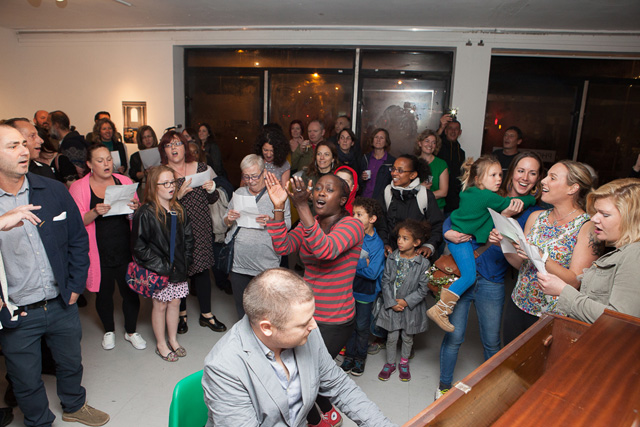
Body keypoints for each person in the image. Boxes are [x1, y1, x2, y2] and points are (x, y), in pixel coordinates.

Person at [0, 125, 110, 426]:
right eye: (12, 146)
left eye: (25, 143)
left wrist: (75, 286)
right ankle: (39, 421)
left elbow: (77, 238)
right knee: (24, 377)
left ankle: (74, 405)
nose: (24, 151)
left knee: (71, 361)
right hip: (16, 310)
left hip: (60, 301)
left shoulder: (52, 189)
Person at [202, 268, 396, 427]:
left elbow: (339, 386)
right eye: (303, 323)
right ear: (267, 328)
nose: (314, 325)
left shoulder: (306, 331)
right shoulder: (224, 367)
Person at [435, 151, 544, 399]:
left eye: (532, 173)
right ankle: (442, 387)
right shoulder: (493, 194)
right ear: (511, 172)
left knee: (492, 342)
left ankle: (493, 391)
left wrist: (504, 240)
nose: (525, 177)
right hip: (465, 272)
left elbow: (524, 260)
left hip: (493, 282)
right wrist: (447, 232)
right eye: (520, 170)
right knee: (454, 336)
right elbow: (457, 216)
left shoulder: (533, 214)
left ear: (538, 180)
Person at [265, 172, 364, 427]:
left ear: (342, 200)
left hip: (334, 319)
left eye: (329, 190)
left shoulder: (352, 225)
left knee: (304, 374)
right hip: (306, 314)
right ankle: (327, 414)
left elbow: (325, 249)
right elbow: (283, 247)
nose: (320, 192)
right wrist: (279, 208)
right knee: (302, 372)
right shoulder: (313, 221)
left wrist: (301, 206)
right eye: (318, 187)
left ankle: (317, 419)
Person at [427, 155, 536, 332]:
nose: (498, 179)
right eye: (493, 175)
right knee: (469, 277)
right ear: (478, 179)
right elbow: (509, 203)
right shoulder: (487, 196)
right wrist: (532, 198)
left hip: (479, 259)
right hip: (461, 243)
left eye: (500, 175)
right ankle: (440, 309)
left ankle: (441, 309)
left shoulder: (470, 191)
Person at [501, 160, 602, 344]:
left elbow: (575, 281)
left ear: (572, 188)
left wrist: (541, 256)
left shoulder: (587, 227)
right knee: (509, 367)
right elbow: (520, 264)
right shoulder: (536, 217)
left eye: (552, 178)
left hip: (552, 316)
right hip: (518, 305)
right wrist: (504, 242)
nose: (543, 181)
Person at [69, 143, 145, 351]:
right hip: (97, 250)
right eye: (100, 160)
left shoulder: (125, 181)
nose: (106, 164)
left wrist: (136, 208)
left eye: (109, 159)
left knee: (130, 291)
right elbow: (78, 221)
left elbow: (135, 215)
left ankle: (131, 331)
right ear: (89, 164)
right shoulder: (79, 187)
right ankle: (109, 331)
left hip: (125, 247)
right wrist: (95, 211)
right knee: (103, 293)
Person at [538, 178, 640, 322]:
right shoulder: (622, 251)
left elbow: (619, 321)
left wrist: (563, 291)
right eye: (596, 212)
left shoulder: (635, 254)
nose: (594, 219)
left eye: (605, 214)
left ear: (631, 218)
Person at [160, 130, 227, 334]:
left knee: (202, 272)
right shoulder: (162, 174)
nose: (174, 148)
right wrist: (177, 196)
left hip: (200, 227)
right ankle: (181, 315)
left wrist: (211, 190)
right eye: (169, 145)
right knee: (179, 274)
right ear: (164, 150)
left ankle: (206, 315)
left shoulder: (201, 168)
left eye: (177, 143)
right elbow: (157, 206)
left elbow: (213, 200)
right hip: (175, 230)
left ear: (185, 146)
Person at [131, 166, 194, 362]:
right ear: (153, 186)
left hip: (179, 268)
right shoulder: (146, 212)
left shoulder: (179, 209)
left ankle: (173, 340)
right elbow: (139, 247)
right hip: (159, 270)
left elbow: (189, 239)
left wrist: (186, 260)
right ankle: (161, 344)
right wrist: (162, 265)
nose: (170, 187)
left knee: (175, 303)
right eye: (165, 183)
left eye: (172, 182)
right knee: (160, 306)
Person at [224, 155, 291, 318]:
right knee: (242, 307)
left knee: (266, 309)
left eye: (254, 176)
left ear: (263, 172)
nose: (251, 181)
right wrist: (229, 218)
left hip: (266, 263)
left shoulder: (276, 194)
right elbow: (224, 222)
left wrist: (271, 221)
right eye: (246, 176)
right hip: (239, 262)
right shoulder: (239, 193)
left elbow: (287, 224)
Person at [376, 219, 431, 382]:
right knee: (391, 337)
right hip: (392, 305)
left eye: (405, 238)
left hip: (410, 308)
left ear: (416, 243)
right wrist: (391, 302)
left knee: (407, 337)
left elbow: (424, 288)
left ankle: (404, 363)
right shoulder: (392, 258)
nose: (399, 241)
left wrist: (405, 302)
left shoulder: (423, 263)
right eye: (399, 237)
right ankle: (390, 363)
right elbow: (385, 281)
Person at [340, 197, 385, 378]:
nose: (354, 217)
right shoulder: (350, 237)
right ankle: (349, 356)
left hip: (365, 293)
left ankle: (360, 357)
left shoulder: (377, 244)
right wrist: (360, 263)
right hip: (348, 290)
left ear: (372, 219)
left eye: (359, 214)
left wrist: (353, 264)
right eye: (353, 214)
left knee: (361, 326)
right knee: (349, 324)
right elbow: (342, 263)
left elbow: (373, 273)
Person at [377, 154, 444, 259]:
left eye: (400, 170)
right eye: (393, 169)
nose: (394, 173)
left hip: (418, 257)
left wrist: (430, 245)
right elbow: (382, 224)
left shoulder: (425, 195)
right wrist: (384, 243)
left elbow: (437, 225)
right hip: (392, 255)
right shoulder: (387, 192)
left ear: (412, 175)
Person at [437, 114, 466, 213]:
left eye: (456, 129)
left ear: (460, 132)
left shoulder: (461, 153)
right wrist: (440, 127)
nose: (453, 131)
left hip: (454, 198)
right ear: (445, 131)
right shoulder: (438, 148)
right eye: (450, 128)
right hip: (438, 195)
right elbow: (430, 144)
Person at [415, 128, 448, 211]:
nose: (430, 145)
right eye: (427, 141)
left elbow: (443, 192)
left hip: (436, 209)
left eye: (433, 142)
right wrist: (419, 187)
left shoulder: (441, 164)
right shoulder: (412, 163)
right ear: (420, 143)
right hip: (416, 208)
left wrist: (422, 195)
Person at [48, 110, 88, 178]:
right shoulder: (69, 141)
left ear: (56, 125)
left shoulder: (71, 144)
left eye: (49, 124)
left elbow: (76, 174)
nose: (47, 128)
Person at [360, 128, 396, 200]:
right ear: (372, 140)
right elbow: (358, 180)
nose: (378, 140)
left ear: (386, 142)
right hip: (365, 198)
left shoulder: (391, 161)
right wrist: (362, 178)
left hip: (382, 200)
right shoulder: (365, 158)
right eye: (376, 137)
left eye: (381, 138)